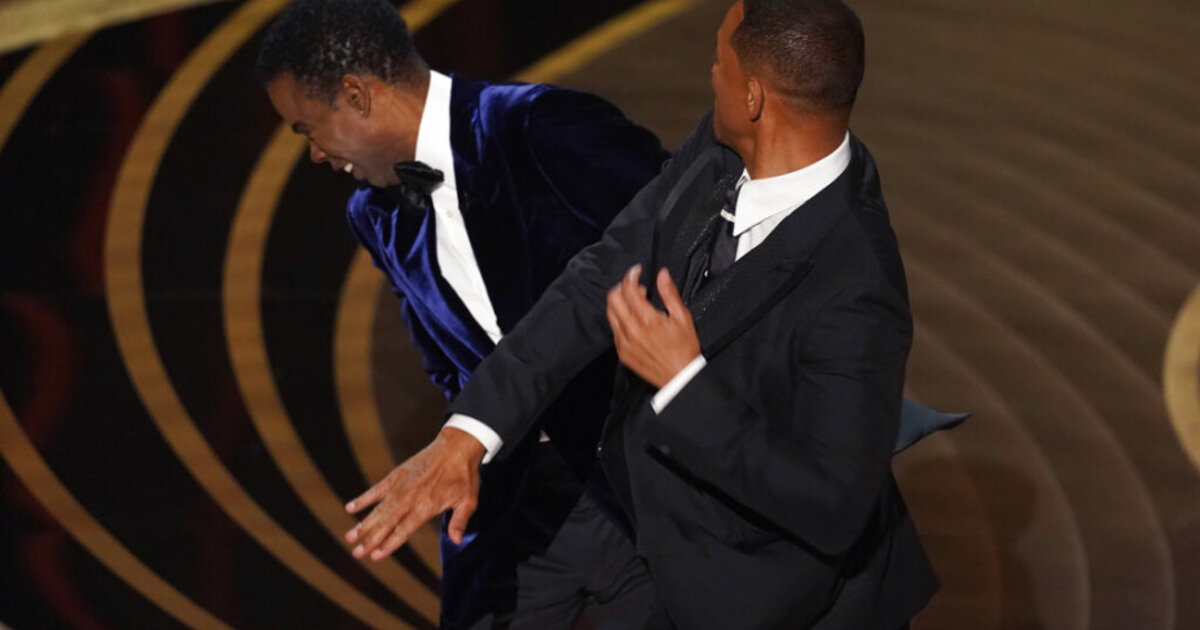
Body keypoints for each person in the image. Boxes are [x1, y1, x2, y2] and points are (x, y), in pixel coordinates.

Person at [343, 0, 945, 628]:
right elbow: (598, 276)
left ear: (754, 97)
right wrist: (470, 432)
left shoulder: (857, 284)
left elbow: (830, 505)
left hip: (782, 606)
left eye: (719, 60)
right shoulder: (723, 151)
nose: (710, 73)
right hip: (671, 557)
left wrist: (683, 383)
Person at [255, 0, 671, 627]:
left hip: (644, 490)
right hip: (515, 507)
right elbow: (446, 360)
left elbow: (691, 243)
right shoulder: (373, 214)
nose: (314, 153)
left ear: (356, 96)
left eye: (305, 128)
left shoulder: (539, 125)